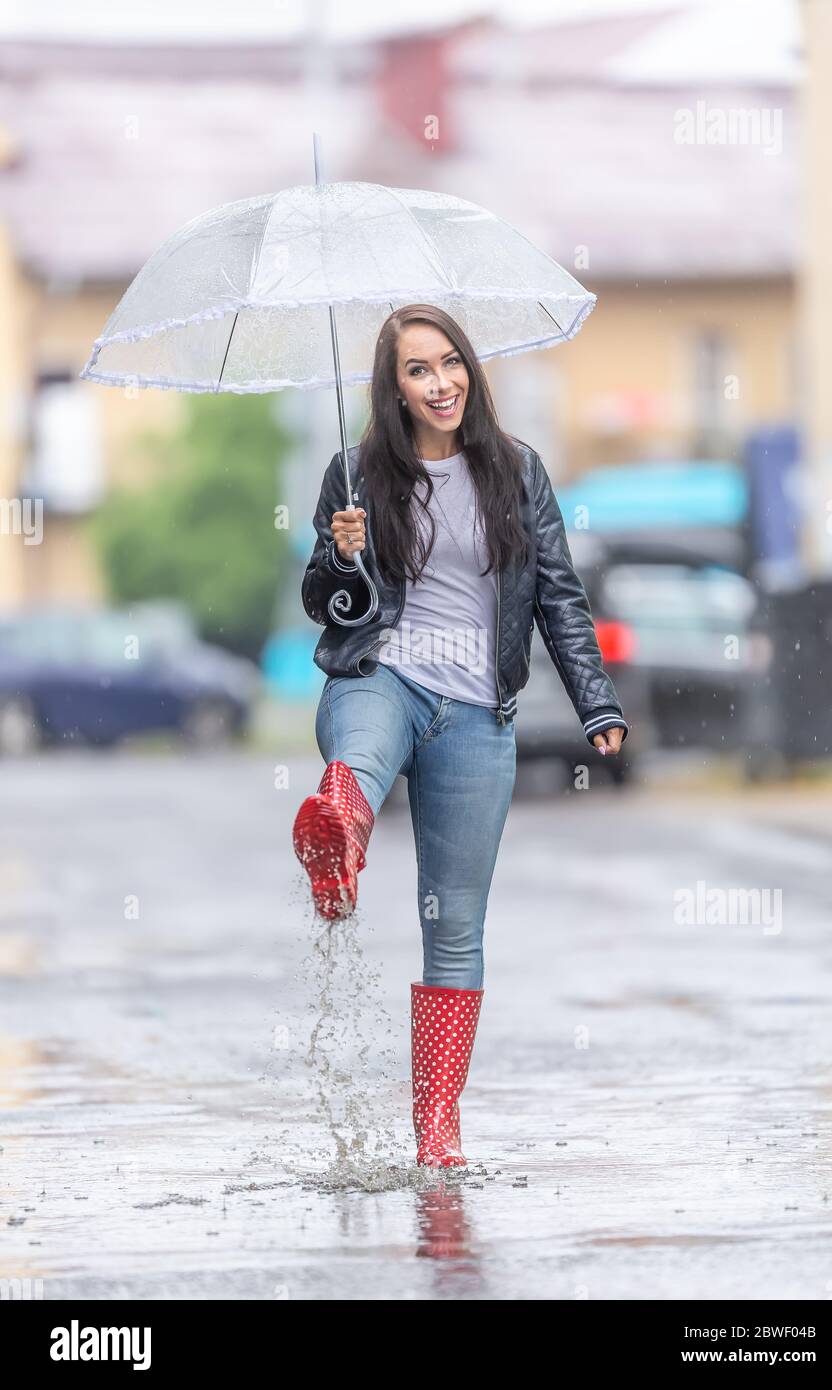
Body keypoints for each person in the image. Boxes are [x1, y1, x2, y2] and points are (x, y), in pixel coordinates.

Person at [294, 304, 628, 1168]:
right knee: (356, 761)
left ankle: (437, 1124)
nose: (440, 383)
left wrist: (596, 703)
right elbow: (324, 607)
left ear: (469, 370)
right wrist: (341, 555)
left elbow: (558, 593)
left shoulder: (517, 470)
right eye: (418, 370)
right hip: (383, 677)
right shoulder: (354, 474)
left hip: (479, 710)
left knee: (456, 925)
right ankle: (339, 838)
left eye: (450, 364)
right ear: (393, 387)